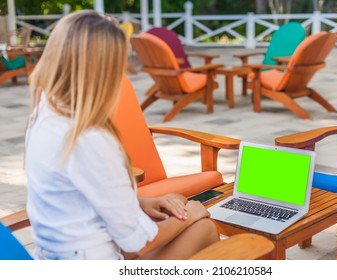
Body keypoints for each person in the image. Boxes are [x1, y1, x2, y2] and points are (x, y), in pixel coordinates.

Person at [25, 10, 219, 260]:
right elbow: (139, 242)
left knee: (185, 220)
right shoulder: (90, 138)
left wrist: (140, 202)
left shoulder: (44, 113)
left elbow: (81, 195)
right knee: (203, 228)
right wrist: (192, 213)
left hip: (55, 257)